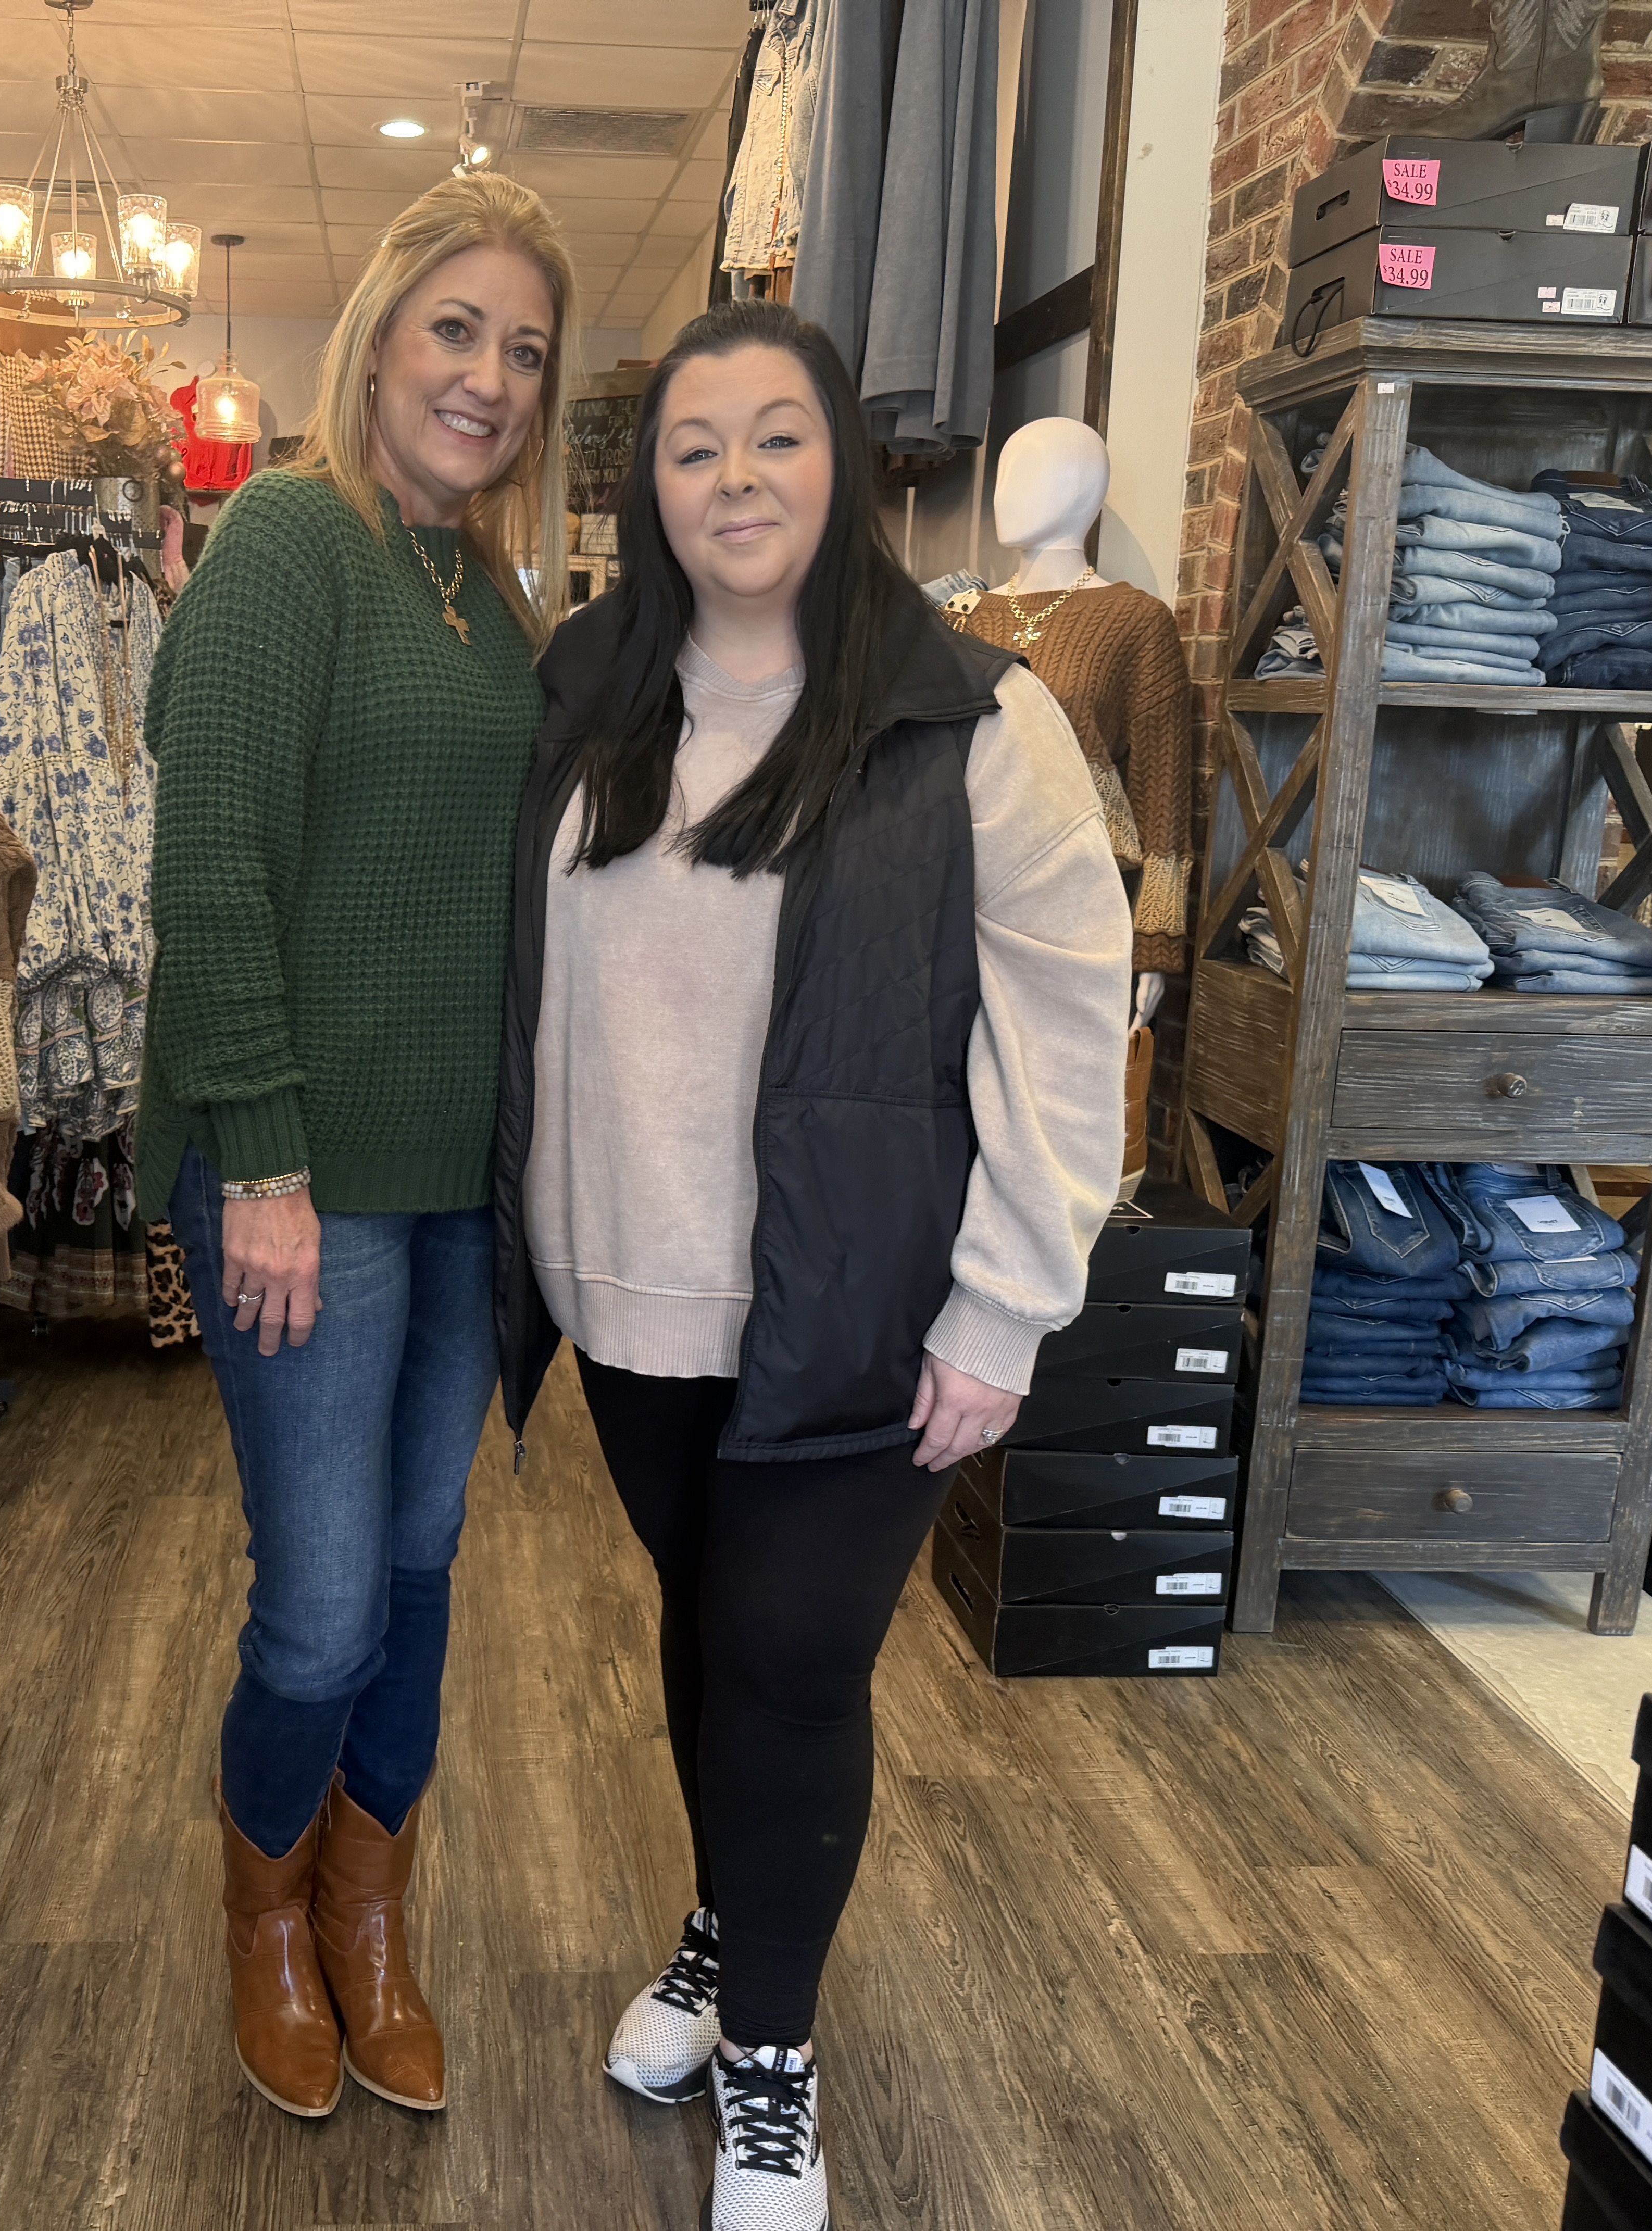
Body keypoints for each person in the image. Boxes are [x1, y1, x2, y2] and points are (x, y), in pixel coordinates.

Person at [492, 299, 1132, 2228]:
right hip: (629, 1289)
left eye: (777, 436)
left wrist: (1009, 1301)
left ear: (845, 460)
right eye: (694, 447)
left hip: (858, 1299)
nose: (735, 478)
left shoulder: (972, 715)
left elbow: (1068, 1012)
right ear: (648, 486)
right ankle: (731, 1910)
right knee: (702, 1623)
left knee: (787, 1658)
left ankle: (769, 2052)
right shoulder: (590, 684)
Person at [141, 172, 574, 2121]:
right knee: (318, 1593)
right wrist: (259, 1161)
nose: (488, 378)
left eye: (525, 351)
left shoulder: (493, 595)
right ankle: (263, 1911)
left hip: (451, 1173)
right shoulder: (284, 544)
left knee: (420, 1570)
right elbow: (211, 875)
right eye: (458, 329)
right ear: (382, 335)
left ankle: (370, 1911)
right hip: (299, 1163)